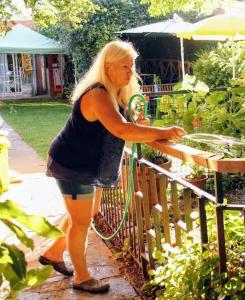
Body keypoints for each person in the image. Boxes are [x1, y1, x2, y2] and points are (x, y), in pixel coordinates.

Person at [39, 40, 185, 293]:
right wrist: (163, 132)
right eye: (124, 67)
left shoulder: (114, 92)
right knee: (81, 222)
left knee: (86, 212)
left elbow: (122, 125)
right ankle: (82, 277)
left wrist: (145, 127)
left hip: (87, 164)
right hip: (72, 164)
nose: (131, 72)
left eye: (131, 66)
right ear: (107, 67)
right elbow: (120, 129)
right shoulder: (97, 93)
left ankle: (53, 253)